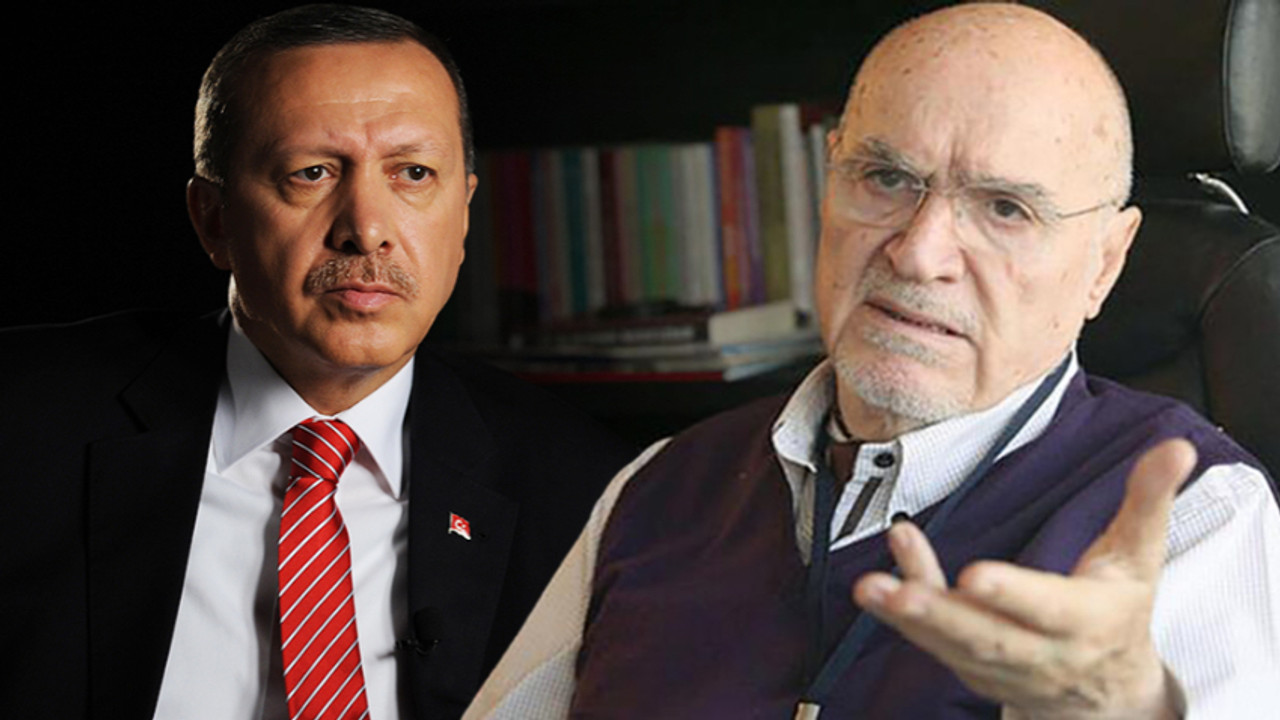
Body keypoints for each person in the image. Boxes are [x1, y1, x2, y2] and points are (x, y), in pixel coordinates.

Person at [464, 3, 1280, 718]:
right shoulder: (657, 486)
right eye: (887, 177)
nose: (920, 253)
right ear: (826, 183)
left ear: (1105, 262)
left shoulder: (1196, 518)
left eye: (1004, 209)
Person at [0, 5, 634, 719]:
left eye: (413, 173)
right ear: (213, 219)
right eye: (311, 173)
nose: (366, 228)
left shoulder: (585, 492)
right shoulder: (21, 428)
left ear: (462, 214)